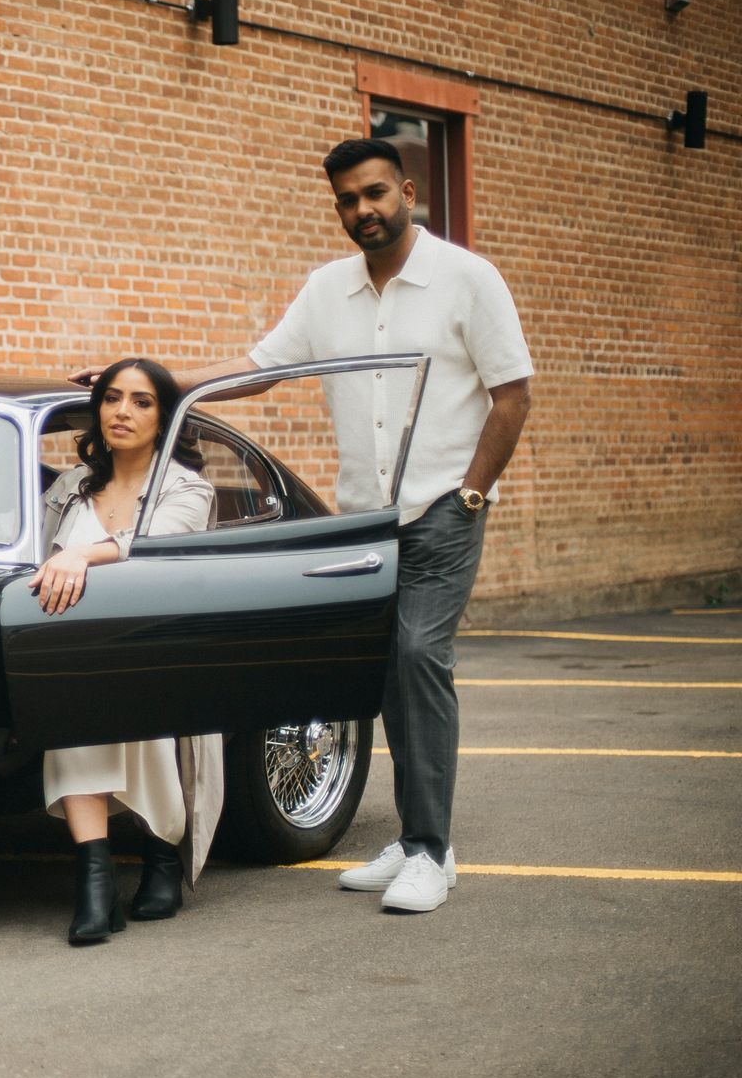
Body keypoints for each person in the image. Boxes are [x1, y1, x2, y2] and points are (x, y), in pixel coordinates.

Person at [73, 137, 533, 915]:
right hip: (365, 520)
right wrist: (152, 379)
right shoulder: (328, 290)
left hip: (442, 509)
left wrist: (473, 494)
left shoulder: (467, 279)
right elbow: (262, 370)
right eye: (348, 201)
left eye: (376, 194)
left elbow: (512, 394)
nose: (364, 212)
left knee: (421, 657)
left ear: (408, 191)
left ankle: (431, 851)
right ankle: (416, 836)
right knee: (382, 670)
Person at [27, 357, 221, 945]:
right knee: (68, 709)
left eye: (141, 401)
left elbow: (155, 546)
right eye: (112, 398)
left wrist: (80, 554)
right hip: (77, 654)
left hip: (155, 649)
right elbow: (27, 556)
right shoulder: (66, 489)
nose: (122, 412)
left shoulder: (188, 487)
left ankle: (162, 856)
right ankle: (95, 881)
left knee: (144, 711)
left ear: (164, 418)